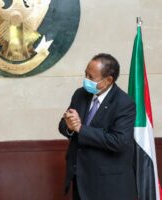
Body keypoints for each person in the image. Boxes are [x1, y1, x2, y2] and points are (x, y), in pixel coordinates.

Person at [59, 53, 137, 200]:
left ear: (108, 80)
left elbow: (119, 141)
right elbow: (64, 125)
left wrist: (81, 129)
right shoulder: (80, 94)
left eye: (91, 77)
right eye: (85, 74)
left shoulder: (124, 103)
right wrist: (69, 126)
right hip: (80, 178)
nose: (85, 80)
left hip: (108, 185)